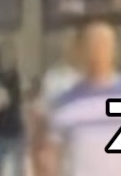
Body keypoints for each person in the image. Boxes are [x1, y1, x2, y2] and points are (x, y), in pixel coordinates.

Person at [43, 22, 121, 176]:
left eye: (104, 44)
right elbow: (51, 153)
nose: (99, 50)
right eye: (92, 44)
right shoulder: (65, 103)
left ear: (115, 49)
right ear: (82, 50)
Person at [31, 31, 82, 176]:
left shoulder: (93, 80)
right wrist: (37, 157)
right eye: (67, 46)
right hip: (59, 153)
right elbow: (41, 117)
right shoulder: (54, 79)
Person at [0, 39, 28, 176]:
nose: (8, 58)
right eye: (5, 55)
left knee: (18, 171)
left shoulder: (19, 77)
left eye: (11, 55)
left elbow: (24, 103)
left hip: (15, 131)